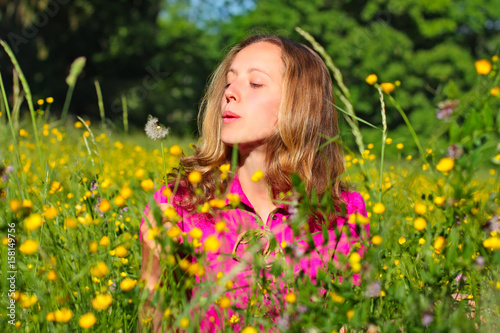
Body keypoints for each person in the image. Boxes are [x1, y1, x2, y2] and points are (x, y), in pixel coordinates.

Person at [139, 34, 369, 332]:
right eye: (228, 82)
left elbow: (350, 320)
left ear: (301, 103)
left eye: (256, 83)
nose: (230, 93)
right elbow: (155, 322)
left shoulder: (344, 210)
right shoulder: (178, 202)